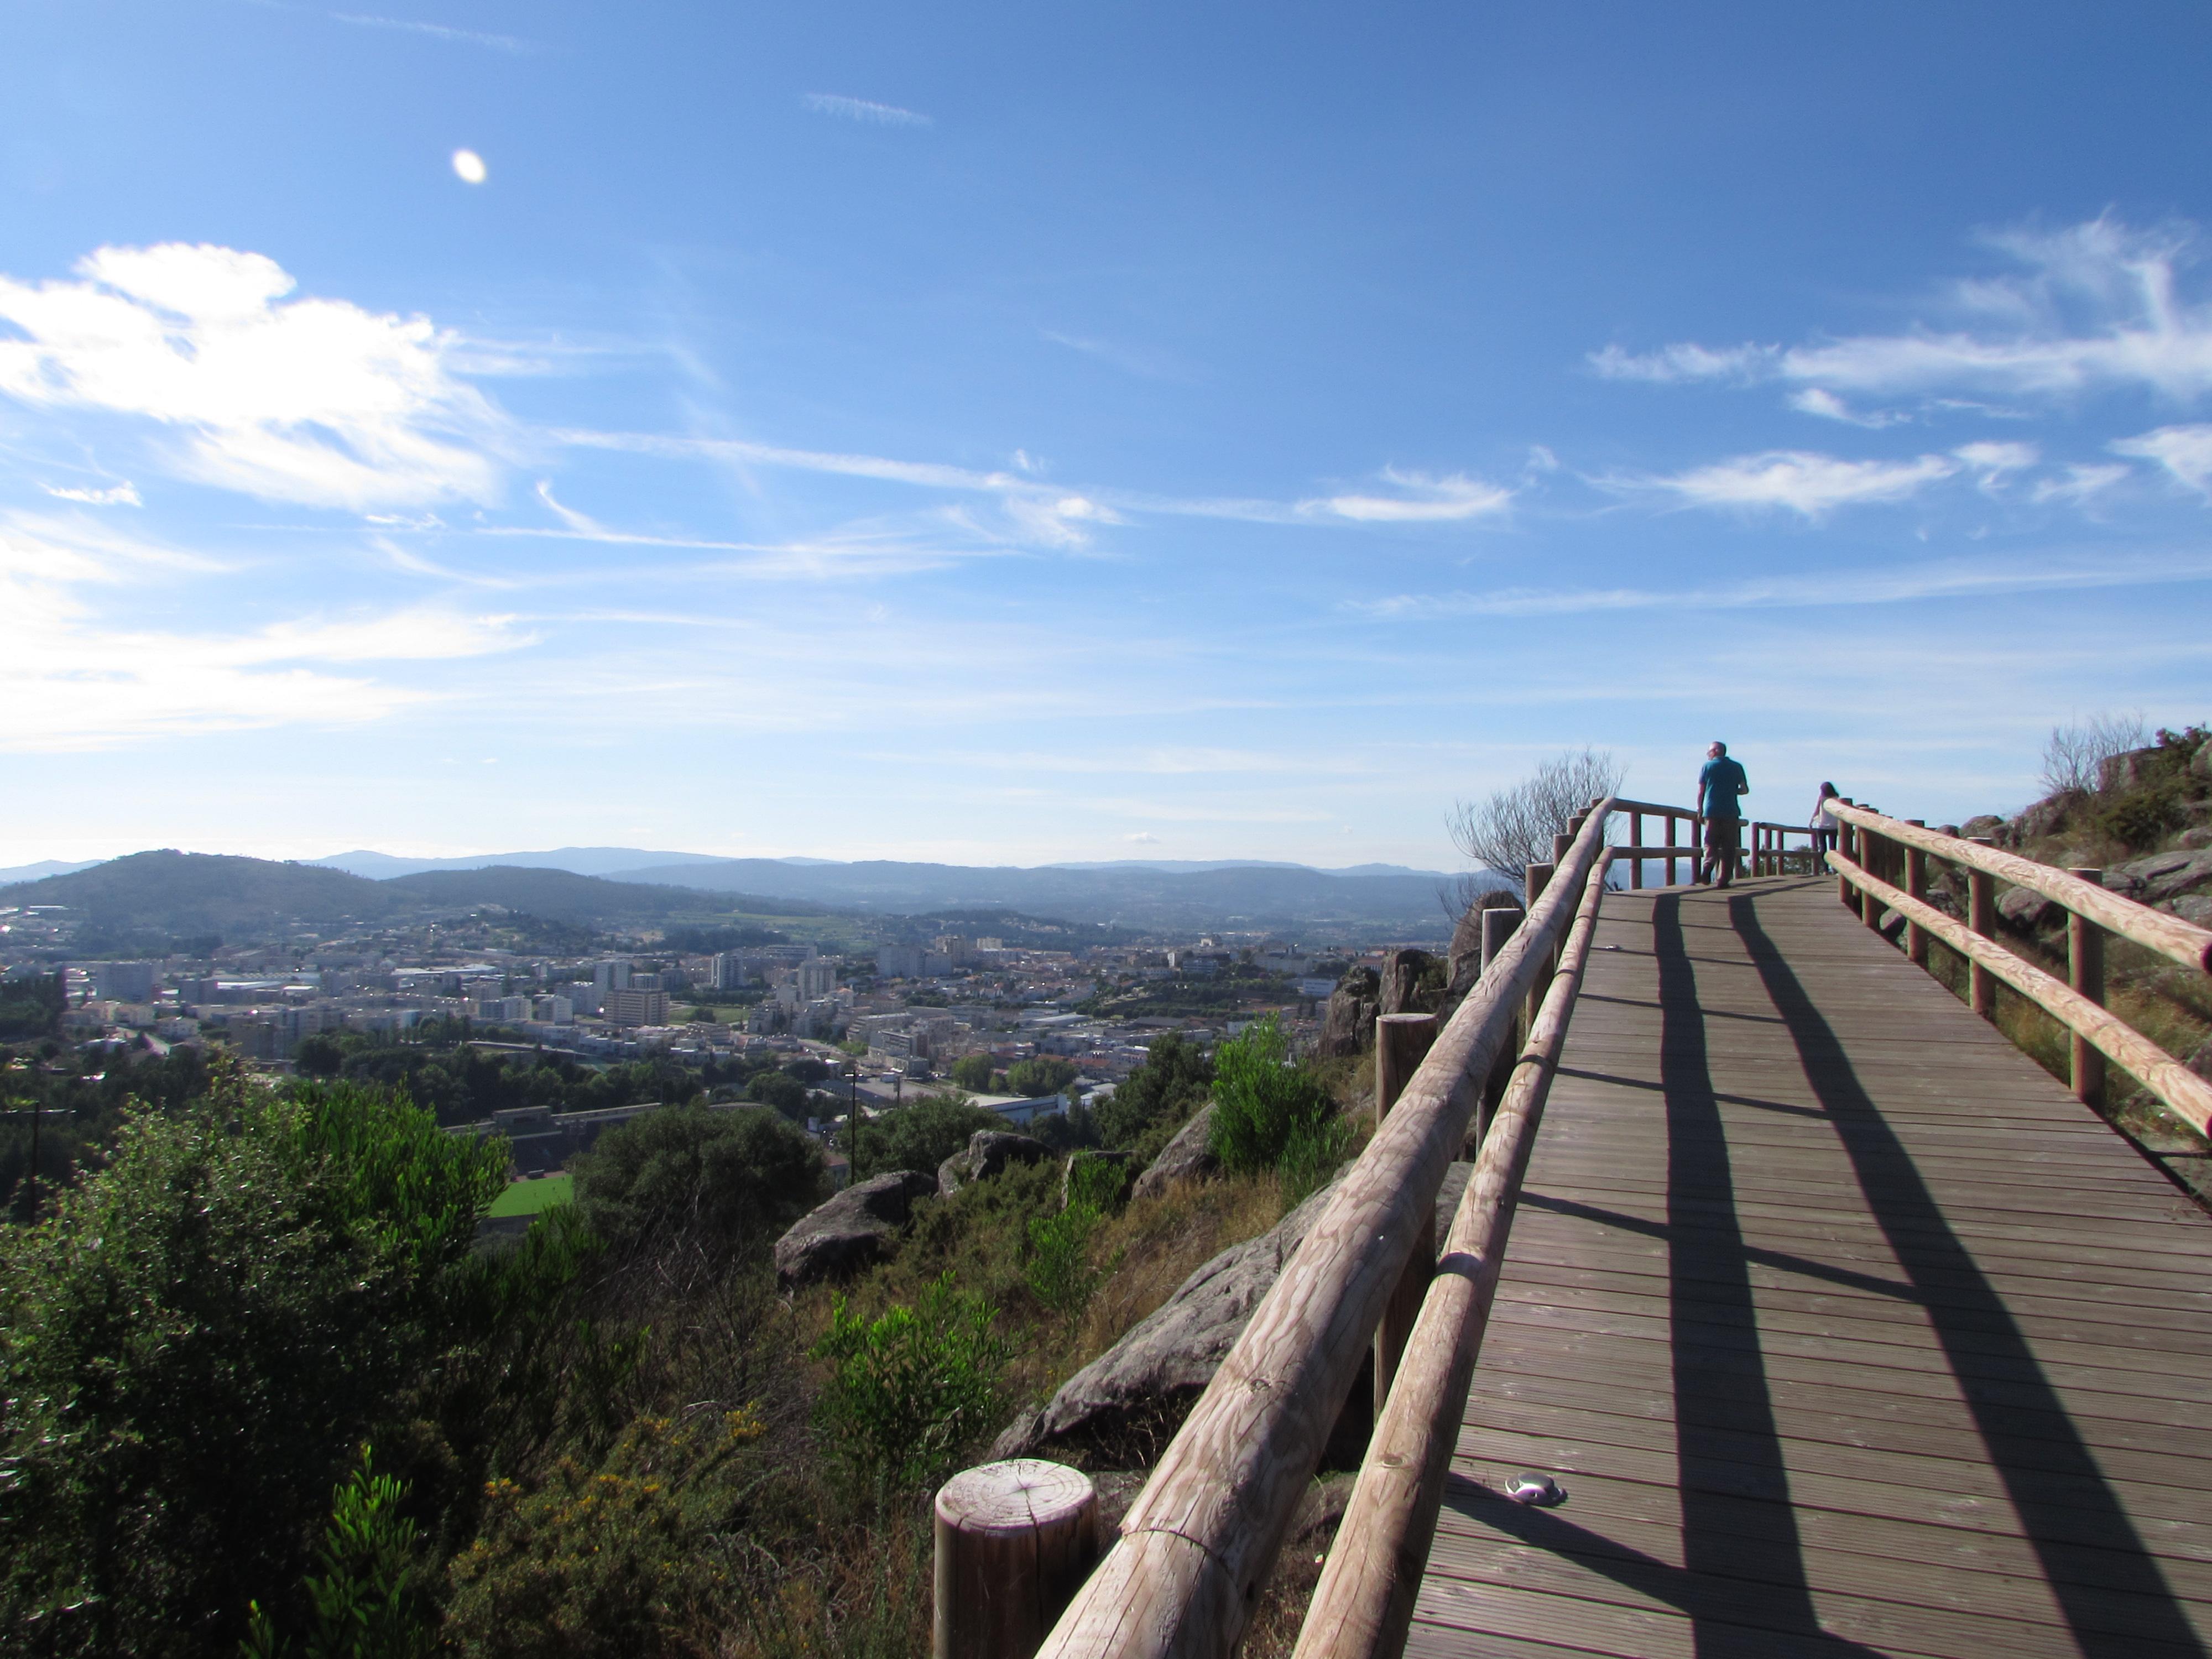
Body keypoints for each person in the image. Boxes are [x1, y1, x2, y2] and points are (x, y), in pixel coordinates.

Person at [1695, 740, 1750, 886]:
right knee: (1728, 847)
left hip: (1711, 811)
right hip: (1731, 812)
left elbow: (1701, 791)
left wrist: (1700, 810)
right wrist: (1732, 790)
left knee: (1710, 844)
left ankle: (1708, 865)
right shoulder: (1737, 767)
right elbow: (1745, 790)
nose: (1708, 755)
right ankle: (1723, 880)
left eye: (1709, 752)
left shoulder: (1707, 767)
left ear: (1715, 751)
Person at [1811, 782, 1841, 863]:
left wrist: (1811, 822)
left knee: (1823, 848)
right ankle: (1834, 868)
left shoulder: (1822, 798)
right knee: (1833, 848)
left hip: (1822, 825)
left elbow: (1817, 810)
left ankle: (1825, 869)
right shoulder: (1837, 798)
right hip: (1834, 826)